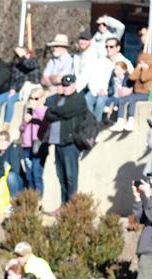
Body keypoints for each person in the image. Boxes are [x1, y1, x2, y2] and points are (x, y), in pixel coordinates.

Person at [44, 74, 87, 207]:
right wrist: (56, 111)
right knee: (61, 177)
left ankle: (71, 207)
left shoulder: (78, 99)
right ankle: (63, 205)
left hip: (70, 143)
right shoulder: (59, 99)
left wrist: (55, 111)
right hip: (58, 142)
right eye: (64, 85)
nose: (66, 88)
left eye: (68, 85)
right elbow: (48, 114)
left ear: (74, 85)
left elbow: (66, 111)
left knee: (71, 176)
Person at [0, 47, 41, 135]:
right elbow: (13, 79)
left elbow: (28, 65)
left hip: (26, 90)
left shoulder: (34, 62)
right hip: (16, 90)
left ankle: (6, 125)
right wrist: (12, 88)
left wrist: (22, 55)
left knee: (10, 100)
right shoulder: (16, 65)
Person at [110, 53, 152, 132]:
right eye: (140, 62)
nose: (141, 64)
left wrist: (144, 69)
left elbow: (143, 78)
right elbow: (132, 77)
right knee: (121, 100)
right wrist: (137, 68)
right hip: (136, 93)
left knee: (132, 100)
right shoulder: (139, 70)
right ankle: (120, 121)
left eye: (143, 62)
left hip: (146, 94)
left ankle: (131, 120)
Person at [77, 32, 115, 122]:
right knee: (87, 100)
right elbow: (86, 77)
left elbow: (109, 80)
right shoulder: (92, 62)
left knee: (100, 102)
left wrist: (104, 90)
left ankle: (97, 123)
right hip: (93, 90)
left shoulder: (110, 63)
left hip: (106, 91)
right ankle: (90, 122)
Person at [18, 88, 49, 195]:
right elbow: (21, 129)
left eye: (36, 99)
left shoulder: (45, 110)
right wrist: (25, 122)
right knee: (29, 175)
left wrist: (36, 109)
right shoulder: (28, 111)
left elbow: (46, 123)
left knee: (37, 174)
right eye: (30, 98)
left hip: (38, 146)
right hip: (27, 145)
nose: (32, 101)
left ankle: (38, 199)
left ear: (42, 99)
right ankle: (31, 198)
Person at [0, 131, 24, 198]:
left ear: (8, 143)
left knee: (10, 176)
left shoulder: (12, 151)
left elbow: (15, 171)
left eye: (4, 140)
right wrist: (2, 172)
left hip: (15, 182)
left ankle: (14, 199)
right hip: (1, 181)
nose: (1, 143)